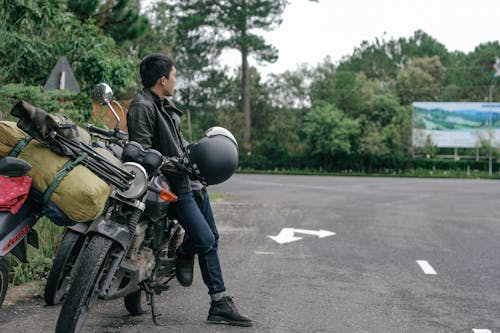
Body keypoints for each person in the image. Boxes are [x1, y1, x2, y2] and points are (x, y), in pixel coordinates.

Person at [127, 53, 253, 327]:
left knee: (212, 237)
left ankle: (188, 256)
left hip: (190, 182)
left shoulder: (164, 106)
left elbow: (177, 145)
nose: (176, 80)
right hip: (172, 186)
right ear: (162, 80)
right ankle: (218, 301)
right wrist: (182, 165)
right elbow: (142, 152)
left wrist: (197, 155)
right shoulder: (143, 106)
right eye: (174, 76)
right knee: (206, 241)